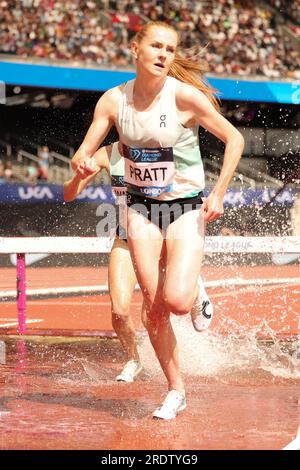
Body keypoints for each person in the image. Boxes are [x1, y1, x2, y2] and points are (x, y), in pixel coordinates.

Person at [71, 21, 244, 419]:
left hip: (184, 206)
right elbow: (85, 150)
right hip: (139, 208)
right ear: (137, 49)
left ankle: (194, 289)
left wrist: (218, 193)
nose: (164, 54)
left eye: (170, 48)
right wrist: (82, 162)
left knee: (177, 302)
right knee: (153, 305)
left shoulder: (184, 98)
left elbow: (235, 140)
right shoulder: (113, 101)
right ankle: (175, 389)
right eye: (156, 46)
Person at [64, 141, 213, 382]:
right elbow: (68, 194)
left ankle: (194, 289)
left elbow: (185, 190)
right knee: (119, 310)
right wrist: (79, 176)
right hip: (125, 237)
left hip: (160, 237)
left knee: (152, 315)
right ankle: (134, 360)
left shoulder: (163, 145)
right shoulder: (107, 154)